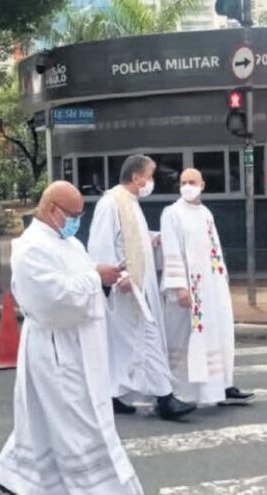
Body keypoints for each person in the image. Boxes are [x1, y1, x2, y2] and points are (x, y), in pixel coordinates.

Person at [0, 181, 143, 495]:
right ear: (52, 210)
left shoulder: (67, 241)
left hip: (78, 343)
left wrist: (105, 278)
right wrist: (95, 279)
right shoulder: (30, 248)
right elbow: (50, 299)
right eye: (74, 215)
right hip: (57, 346)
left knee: (43, 421)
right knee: (80, 421)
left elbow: (82, 279)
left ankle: (20, 480)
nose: (78, 220)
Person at [87, 154, 196, 421]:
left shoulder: (130, 203)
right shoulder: (111, 203)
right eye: (149, 176)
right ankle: (165, 399)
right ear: (136, 177)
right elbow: (101, 243)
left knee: (127, 345)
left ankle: (113, 395)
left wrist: (153, 238)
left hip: (138, 285)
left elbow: (130, 239)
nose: (151, 182)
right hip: (126, 288)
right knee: (147, 339)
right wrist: (115, 274)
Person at [159, 169, 253, 406]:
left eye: (192, 182)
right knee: (185, 337)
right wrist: (179, 287)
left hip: (213, 286)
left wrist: (222, 279)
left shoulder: (206, 213)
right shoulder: (172, 213)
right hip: (190, 289)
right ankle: (183, 393)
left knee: (218, 332)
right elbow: (171, 251)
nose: (187, 186)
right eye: (183, 182)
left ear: (203, 185)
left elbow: (214, 249)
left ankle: (221, 385)